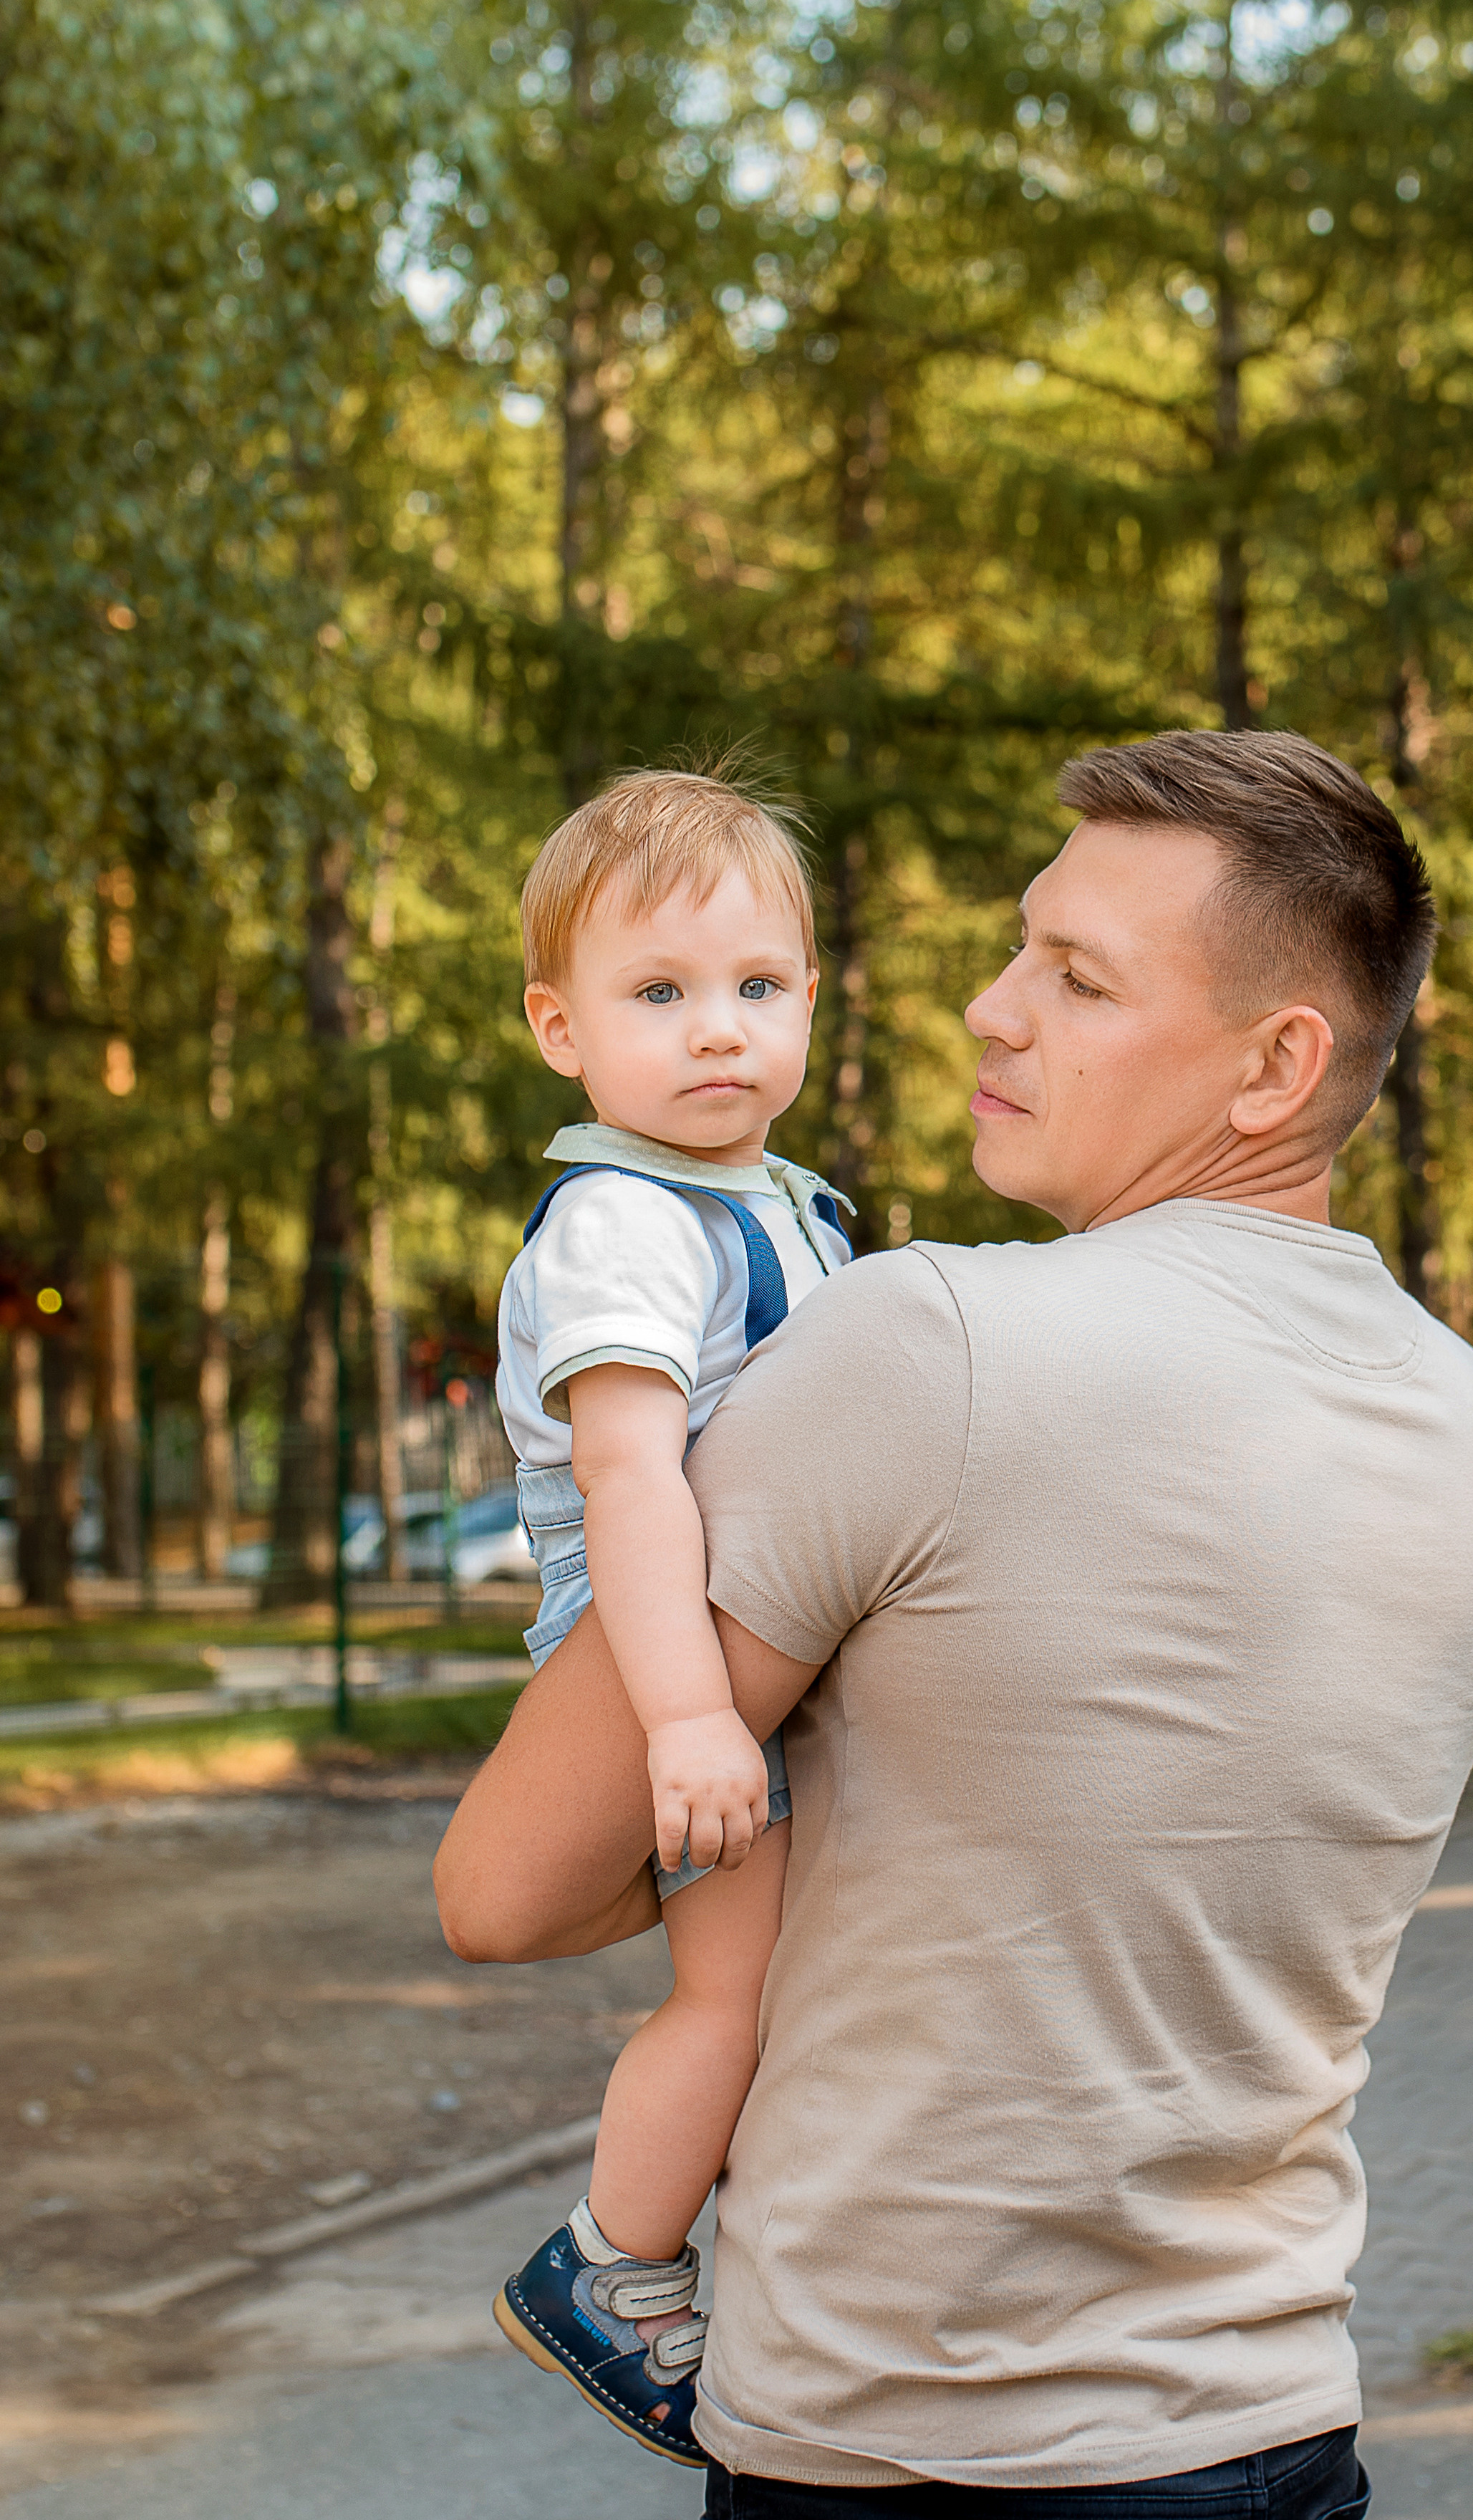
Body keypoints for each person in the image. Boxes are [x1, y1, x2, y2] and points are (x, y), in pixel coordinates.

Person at [436, 730, 1473, 2518]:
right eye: (1021, 945)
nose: (985, 1009)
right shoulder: (1461, 1416)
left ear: (1275, 1064)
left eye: (1074, 978)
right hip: (1273, 2428)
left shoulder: (923, 1339)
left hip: (907, 2449)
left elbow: (508, 1888)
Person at [484, 766, 851, 2466]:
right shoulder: (626, 1221)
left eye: (755, 987)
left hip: (738, 1621)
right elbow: (631, 1479)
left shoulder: (779, 1198)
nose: (719, 1031)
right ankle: (609, 2266)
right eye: (658, 993)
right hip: (653, 1638)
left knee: (789, 1984)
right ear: (561, 1029)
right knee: (736, 1997)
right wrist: (692, 1715)